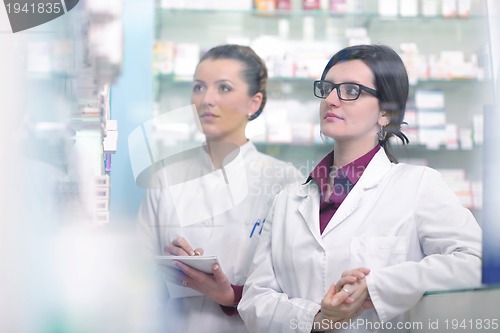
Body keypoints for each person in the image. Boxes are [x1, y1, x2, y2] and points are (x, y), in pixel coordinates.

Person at [238, 44, 482, 333]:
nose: (330, 99)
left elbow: (475, 263)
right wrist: (317, 318)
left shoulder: (418, 185)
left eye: (351, 90)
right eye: (327, 88)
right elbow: (255, 299)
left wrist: (376, 287)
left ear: (385, 113)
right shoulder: (287, 200)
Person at [137, 44, 301, 333]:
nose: (206, 99)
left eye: (224, 88)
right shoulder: (165, 176)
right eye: (199, 87)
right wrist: (165, 263)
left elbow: (294, 287)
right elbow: (134, 271)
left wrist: (230, 295)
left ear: (254, 103)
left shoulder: (283, 180)